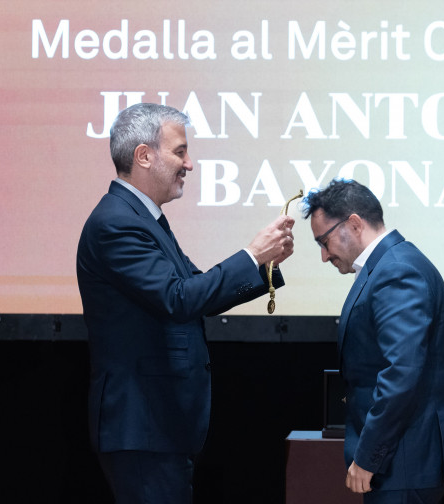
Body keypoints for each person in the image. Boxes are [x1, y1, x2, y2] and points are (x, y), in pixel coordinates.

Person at [76, 103, 294, 503]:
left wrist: (263, 265)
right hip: (142, 424)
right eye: (180, 152)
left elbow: (195, 290)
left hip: (159, 426)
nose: (189, 164)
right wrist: (250, 255)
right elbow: (178, 300)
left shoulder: (142, 218)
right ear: (144, 155)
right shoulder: (116, 223)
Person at [302, 179, 444, 504]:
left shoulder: (396, 271)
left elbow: (401, 374)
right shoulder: (390, 265)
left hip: (404, 460)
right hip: (404, 459)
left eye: (324, 241)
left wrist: (368, 457)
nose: (324, 256)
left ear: (354, 224)